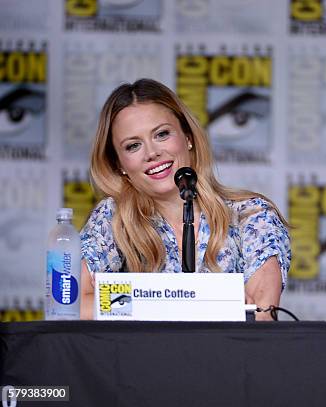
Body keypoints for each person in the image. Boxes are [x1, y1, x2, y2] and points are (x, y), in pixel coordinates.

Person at [79, 78, 291, 320]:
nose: (152, 153)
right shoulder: (112, 218)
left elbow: (260, 314)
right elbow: (70, 303)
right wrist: (193, 302)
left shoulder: (251, 215)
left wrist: (128, 300)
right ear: (119, 163)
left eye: (162, 134)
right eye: (133, 145)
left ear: (187, 137)